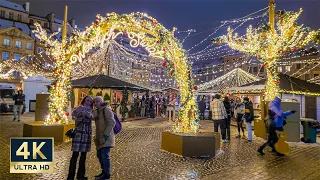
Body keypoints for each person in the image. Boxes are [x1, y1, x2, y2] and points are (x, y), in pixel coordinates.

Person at [67, 96, 94, 180]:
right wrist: (79, 111)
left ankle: (81, 175)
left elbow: (93, 117)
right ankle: (70, 176)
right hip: (78, 134)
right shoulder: (79, 108)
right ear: (84, 101)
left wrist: (88, 114)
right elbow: (73, 114)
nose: (88, 102)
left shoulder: (92, 111)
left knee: (83, 156)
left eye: (90, 101)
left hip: (86, 135)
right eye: (87, 100)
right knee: (75, 155)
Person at [93, 96, 116, 180]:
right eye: (94, 102)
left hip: (106, 137)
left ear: (101, 102)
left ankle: (107, 175)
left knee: (104, 156)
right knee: (99, 155)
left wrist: (106, 136)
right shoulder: (97, 111)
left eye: (98, 101)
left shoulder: (106, 110)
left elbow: (112, 122)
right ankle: (104, 172)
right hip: (99, 138)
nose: (96, 103)